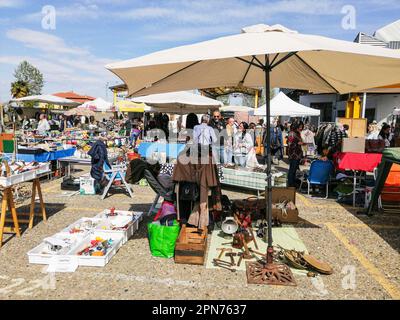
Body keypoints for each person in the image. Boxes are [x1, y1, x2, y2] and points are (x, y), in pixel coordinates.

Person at [287, 121, 304, 187]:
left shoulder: (297, 133)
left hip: (297, 155)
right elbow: (290, 144)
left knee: (295, 170)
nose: (301, 128)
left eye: (302, 127)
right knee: (292, 170)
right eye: (300, 127)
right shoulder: (292, 133)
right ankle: (291, 184)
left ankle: (293, 182)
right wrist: (297, 144)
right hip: (293, 155)